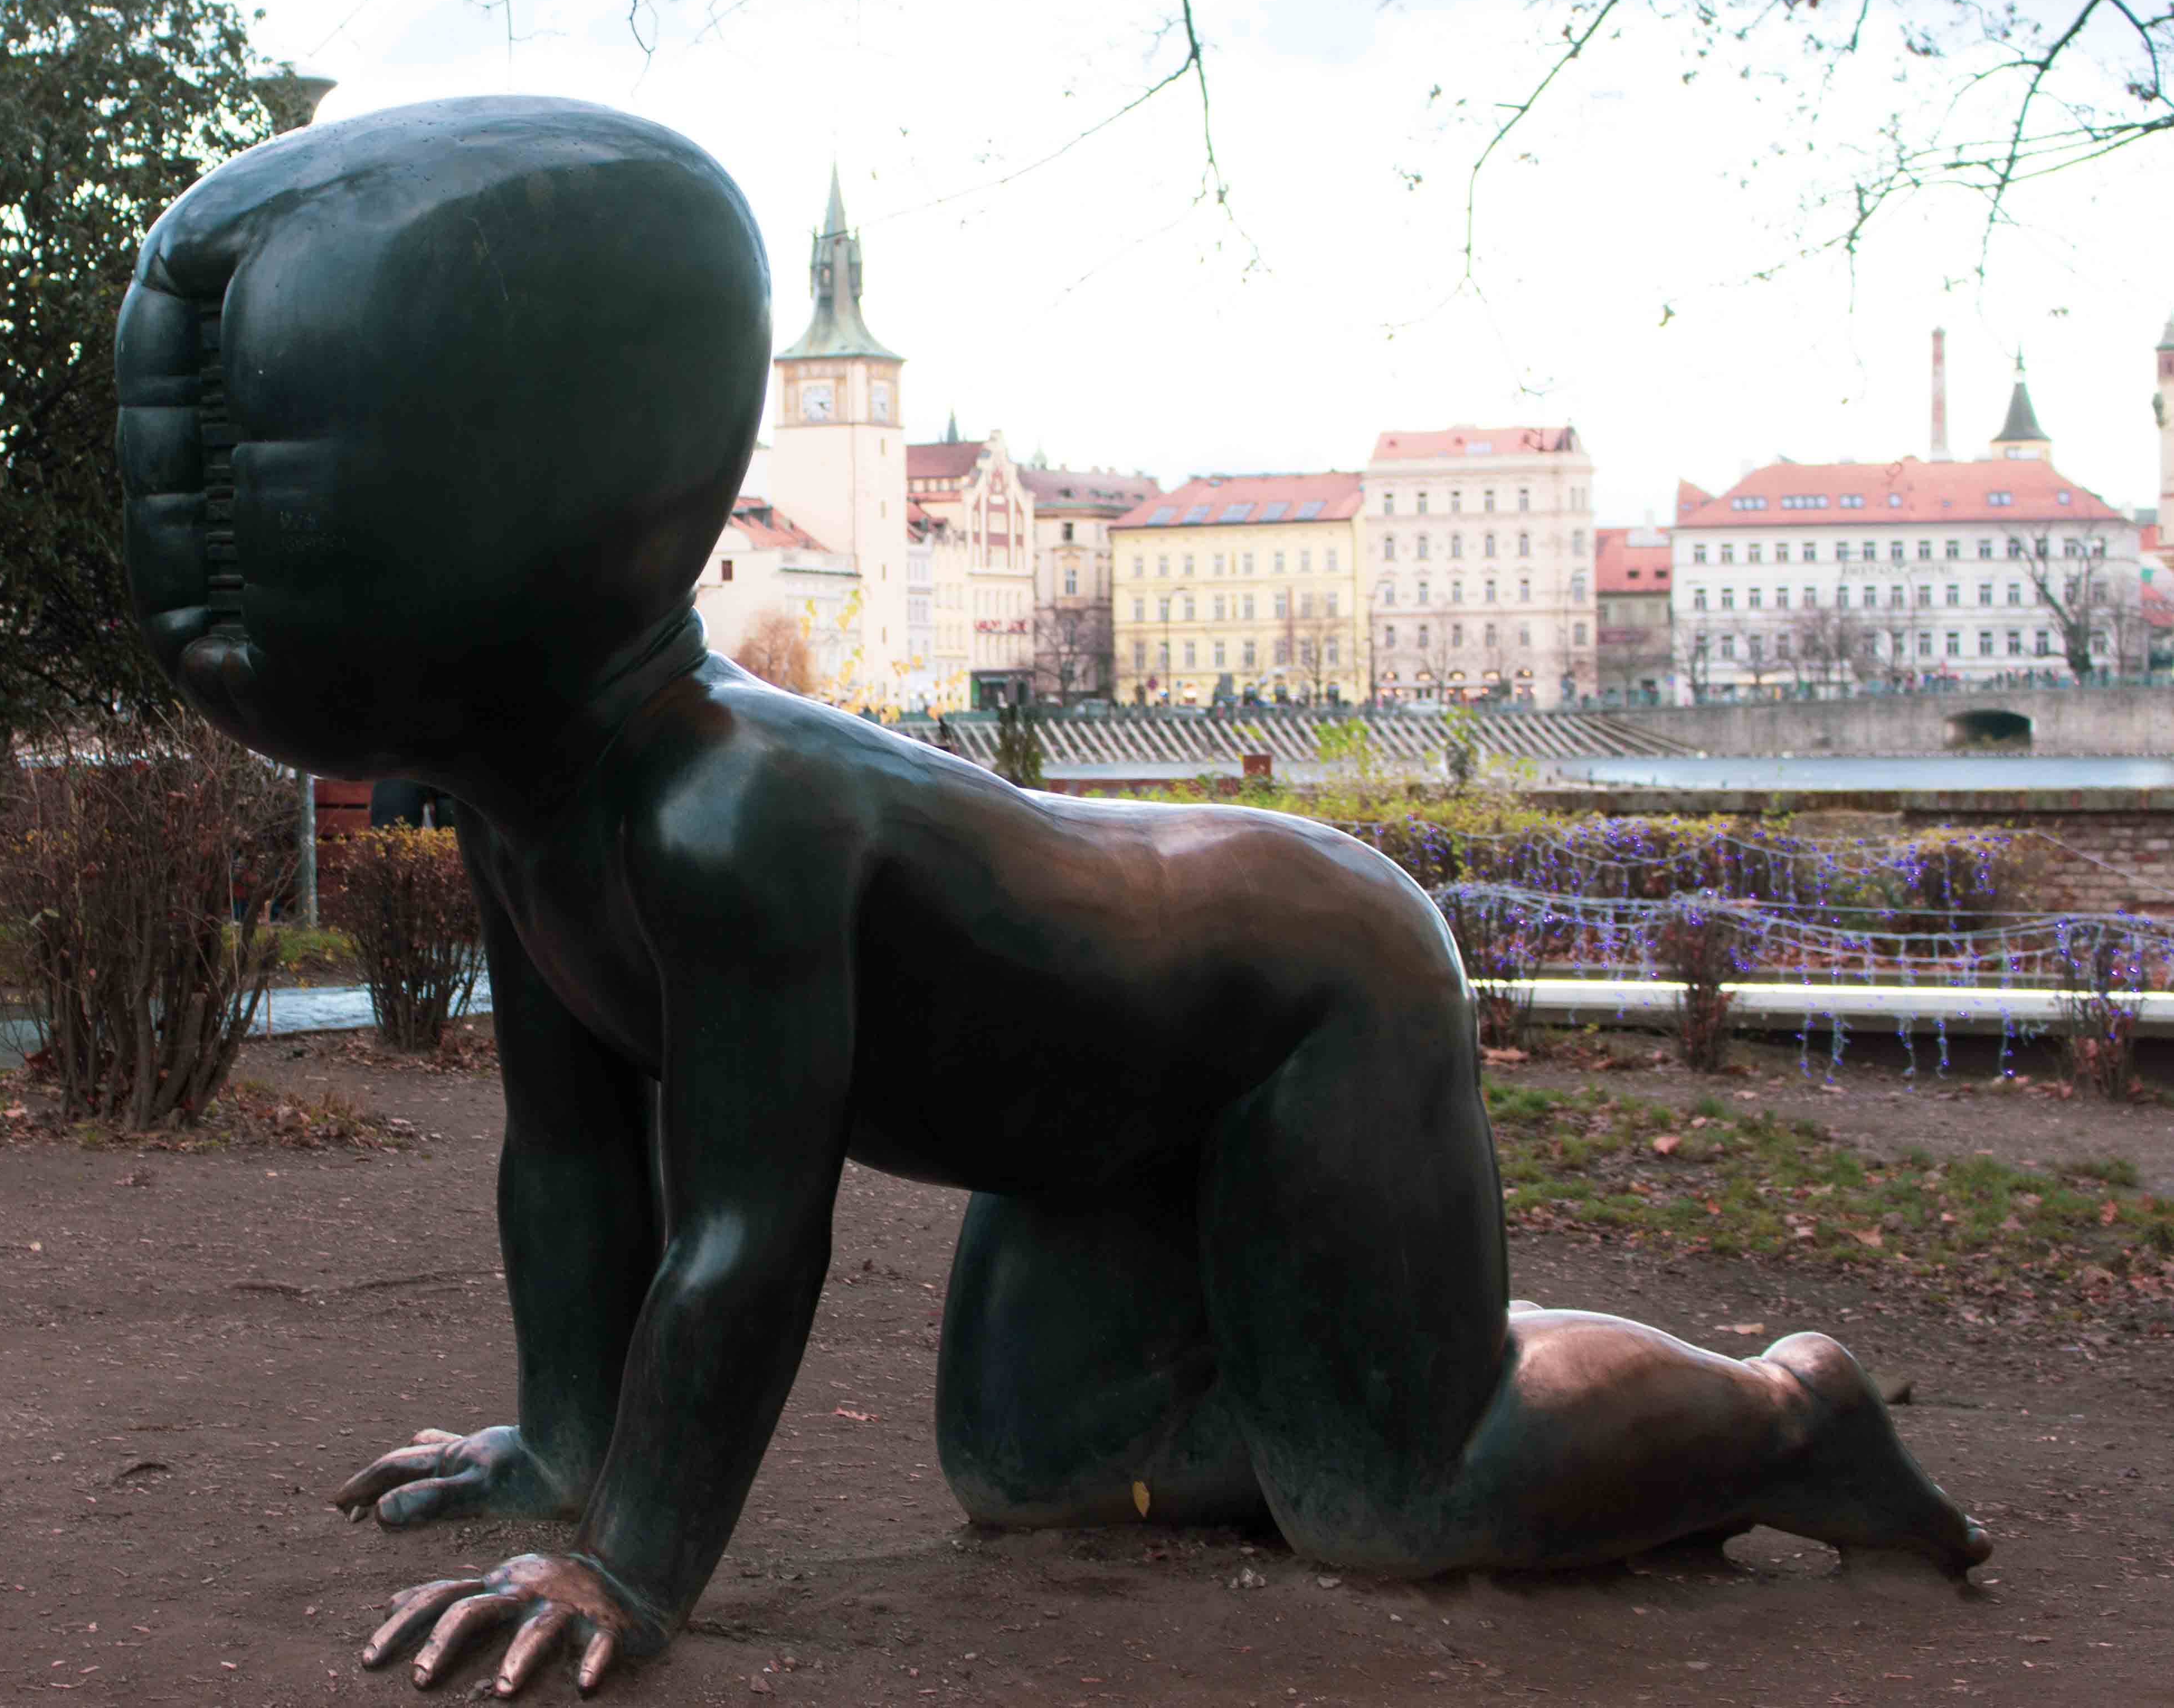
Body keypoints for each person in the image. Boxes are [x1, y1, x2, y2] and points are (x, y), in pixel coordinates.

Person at [113, 97, 1986, 1700]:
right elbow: (577, 1162)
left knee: (1399, 1504)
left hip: (1303, 993)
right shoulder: (530, 803)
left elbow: (748, 1234)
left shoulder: (722, 816)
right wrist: (559, 1452)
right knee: (1040, 1471)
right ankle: (1348, 1351)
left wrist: (630, 1567)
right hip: (1096, 1111)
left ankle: (1782, 1410)